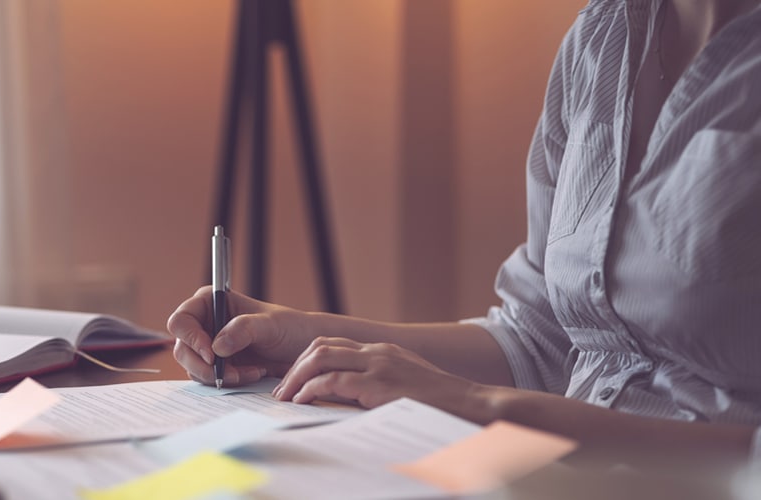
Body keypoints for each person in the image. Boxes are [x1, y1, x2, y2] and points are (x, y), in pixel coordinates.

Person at [169, 0, 761, 470]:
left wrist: (478, 406)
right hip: (538, 479)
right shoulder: (601, 37)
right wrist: (299, 335)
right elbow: (544, 340)